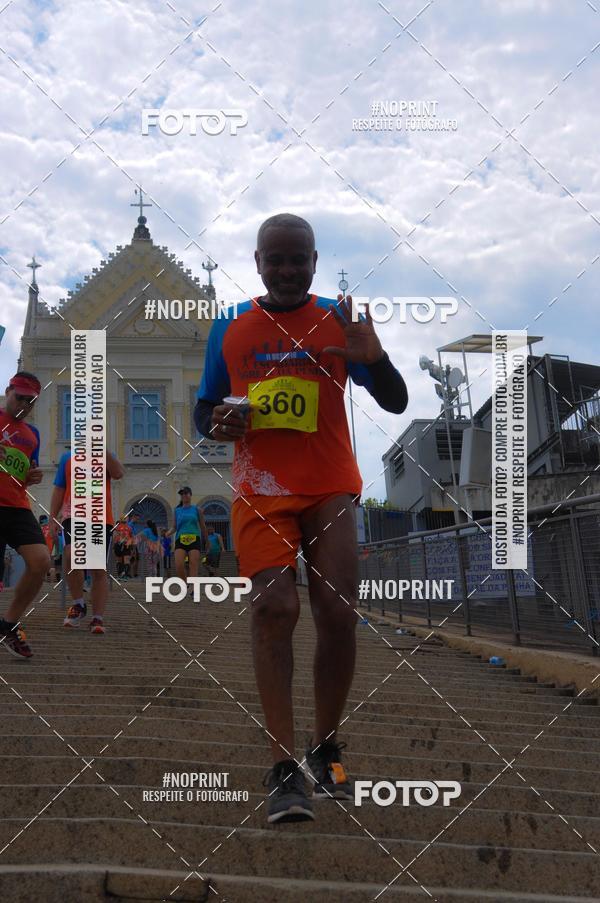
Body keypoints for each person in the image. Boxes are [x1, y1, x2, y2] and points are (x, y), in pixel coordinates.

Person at [195, 214, 408, 823]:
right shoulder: (229, 325)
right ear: (257, 261)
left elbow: (394, 400)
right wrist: (215, 424)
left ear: (314, 261)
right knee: (274, 607)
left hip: (328, 486)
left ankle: (326, 744)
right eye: (275, 259)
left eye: (299, 260)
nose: (287, 271)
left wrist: (379, 357)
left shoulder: (335, 321)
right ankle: (283, 765)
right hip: (260, 488)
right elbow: (206, 407)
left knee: (337, 611)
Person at [0, 372, 50, 658]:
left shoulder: (34, 434)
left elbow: (29, 468)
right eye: (20, 397)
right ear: (8, 390)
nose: (24, 405)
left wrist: (34, 475)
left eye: (30, 402)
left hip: (17, 506)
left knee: (41, 562)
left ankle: (8, 624)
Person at [50, 449, 125, 635]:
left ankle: (97, 617)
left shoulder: (108, 455)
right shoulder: (67, 457)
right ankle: (78, 604)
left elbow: (118, 474)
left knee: (98, 568)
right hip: (73, 515)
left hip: (101, 517)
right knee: (70, 553)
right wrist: (52, 518)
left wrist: (103, 450)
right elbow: (60, 488)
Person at [166, 488, 208, 598]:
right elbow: (174, 527)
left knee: (193, 564)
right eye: (182, 494)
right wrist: (168, 533)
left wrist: (206, 540)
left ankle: (193, 588)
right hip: (180, 538)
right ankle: (186, 584)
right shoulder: (177, 510)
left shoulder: (197, 510)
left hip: (194, 538)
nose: (184, 495)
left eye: (186, 493)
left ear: (191, 495)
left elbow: (203, 526)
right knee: (179, 564)